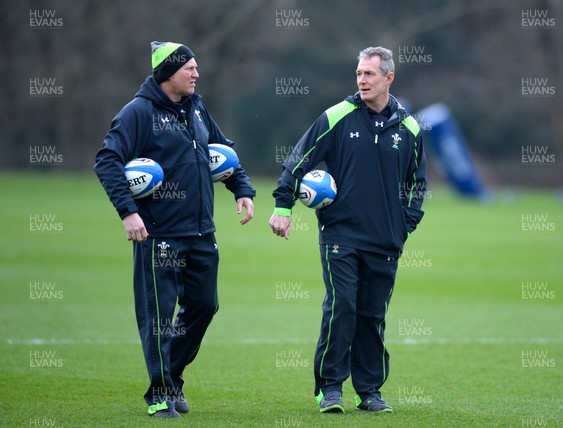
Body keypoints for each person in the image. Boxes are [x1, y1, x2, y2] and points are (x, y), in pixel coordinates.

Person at [94, 41, 255, 418]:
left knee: (205, 306)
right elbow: (107, 160)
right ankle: (160, 395)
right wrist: (128, 212)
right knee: (159, 318)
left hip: (201, 231)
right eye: (190, 68)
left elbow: (221, 149)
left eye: (196, 67)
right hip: (159, 233)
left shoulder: (197, 107)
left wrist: (241, 189)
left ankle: (172, 378)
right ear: (168, 73)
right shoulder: (138, 112)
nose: (197, 74)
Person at [269, 46, 427, 414]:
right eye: (358, 73)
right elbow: (298, 159)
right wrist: (282, 205)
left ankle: (369, 391)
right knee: (342, 307)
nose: (361, 80)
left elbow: (418, 183)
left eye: (369, 74)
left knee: (372, 316)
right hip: (340, 235)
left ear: (389, 78)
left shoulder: (411, 128)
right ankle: (329, 388)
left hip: (386, 240)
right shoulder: (337, 116)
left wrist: (405, 224)